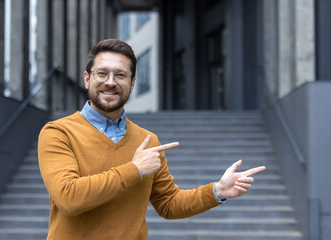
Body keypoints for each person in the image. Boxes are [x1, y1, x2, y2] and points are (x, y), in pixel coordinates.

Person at [38, 39, 266, 240]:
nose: (110, 82)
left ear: (132, 84)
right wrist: (134, 169)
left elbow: (169, 204)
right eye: (102, 73)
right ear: (87, 79)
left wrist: (217, 191)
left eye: (120, 75)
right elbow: (68, 198)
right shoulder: (58, 132)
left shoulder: (146, 140)